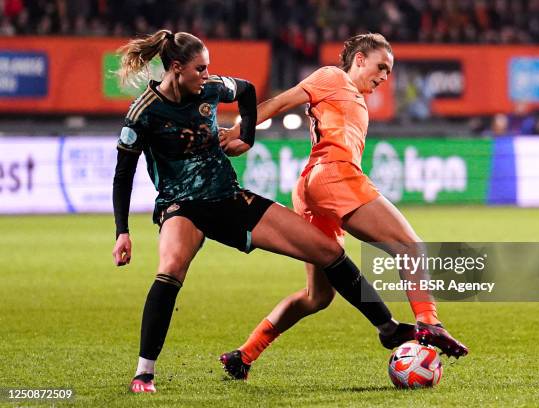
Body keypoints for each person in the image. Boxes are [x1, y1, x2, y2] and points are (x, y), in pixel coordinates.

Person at [112, 30, 416, 393]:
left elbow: (247, 91)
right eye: (200, 69)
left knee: (330, 251)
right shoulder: (143, 113)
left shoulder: (211, 88)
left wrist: (246, 137)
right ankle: (144, 372)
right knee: (172, 268)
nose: (208, 76)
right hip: (181, 206)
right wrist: (122, 231)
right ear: (176, 68)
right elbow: (123, 174)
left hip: (229, 198)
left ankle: (387, 327)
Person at [219, 33, 468, 379]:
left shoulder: (355, 99)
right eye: (381, 66)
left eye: (389, 72)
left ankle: (243, 355)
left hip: (312, 190)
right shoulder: (333, 77)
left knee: (316, 297)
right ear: (360, 59)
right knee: (410, 247)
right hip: (333, 175)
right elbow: (279, 103)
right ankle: (429, 322)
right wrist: (239, 129)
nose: (384, 76)